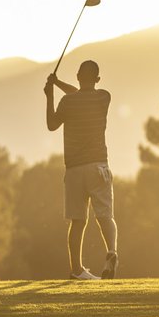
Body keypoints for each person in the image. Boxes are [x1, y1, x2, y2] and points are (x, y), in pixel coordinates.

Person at [44, 60, 118, 280]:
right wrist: (58, 85)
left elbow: (51, 124)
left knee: (78, 221)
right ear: (97, 79)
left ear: (77, 76)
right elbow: (82, 93)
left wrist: (50, 93)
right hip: (98, 166)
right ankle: (112, 252)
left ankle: (77, 270)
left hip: (75, 169)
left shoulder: (68, 102)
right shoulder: (104, 97)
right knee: (105, 216)